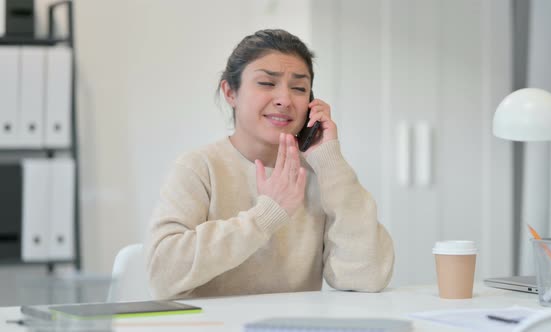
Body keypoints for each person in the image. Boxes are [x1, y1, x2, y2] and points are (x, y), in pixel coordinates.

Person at [146, 29, 394, 299]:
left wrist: (330, 162)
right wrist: (265, 216)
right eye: (266, 83)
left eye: (299, 88)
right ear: (230, 92)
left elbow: (366, 277)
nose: (284, 100)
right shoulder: (198, 167)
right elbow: (163, 275)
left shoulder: (321, 174)